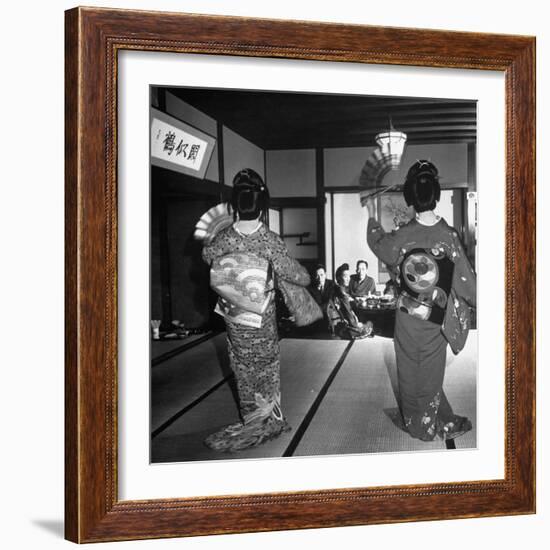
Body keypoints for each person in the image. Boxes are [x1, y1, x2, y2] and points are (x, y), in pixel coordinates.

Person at [365, 160, 476, 442]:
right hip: (434, 317)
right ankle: (426, 422)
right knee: (430, 370)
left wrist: (372, 221)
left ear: (411, 197)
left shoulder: (402, 234)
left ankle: (416, 419)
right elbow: (466, 282)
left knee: (408, 369)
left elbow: (382, 248)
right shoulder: (449, 236)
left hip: (406, 314)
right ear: (436, 194)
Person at [202, 168, 310, 452]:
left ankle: (252, 419)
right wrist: (305, 276)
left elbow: (206, 255)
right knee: (268, 364)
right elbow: (294, 274)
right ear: (262, 204)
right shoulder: (270, 240)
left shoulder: (224, 238)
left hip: (235, 315)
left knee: (241, 365)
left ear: (235, 204)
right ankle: (268, 421)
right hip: (262, 316)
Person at [328, 263, 372, 339]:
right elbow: (348, 314)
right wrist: (357, 324)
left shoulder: (339, 289)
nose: (348, 278)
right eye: (345, 276)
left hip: (346, 323)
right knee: (370, 324)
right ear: (338, 278)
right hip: (350, 327)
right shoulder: (342, 294)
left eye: (349, 275)